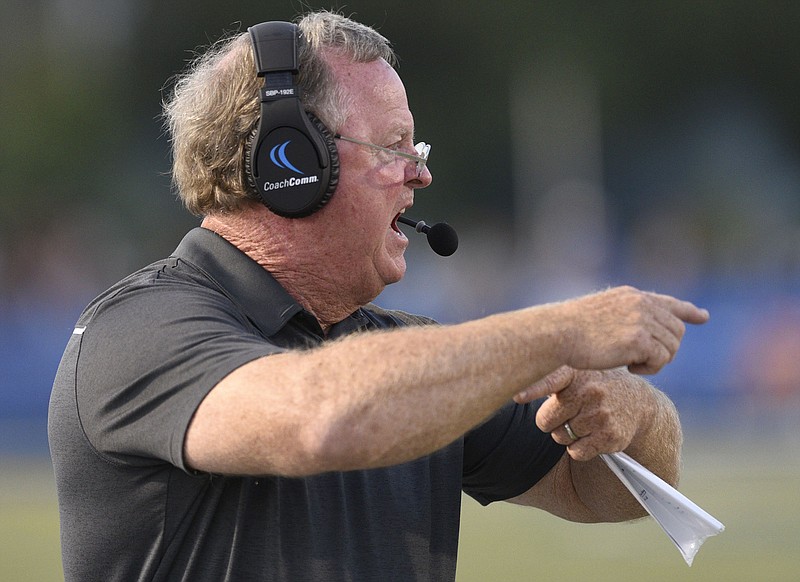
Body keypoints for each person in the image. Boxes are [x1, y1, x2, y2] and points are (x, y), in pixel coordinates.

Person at [48, 10, 709, 581]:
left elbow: (603, 494)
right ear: (292, 164)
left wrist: (636, 413)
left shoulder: (402, 359)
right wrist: (554, 330)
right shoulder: (135, 331)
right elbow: (323, 417)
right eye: (392, 146)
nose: (420, 173)